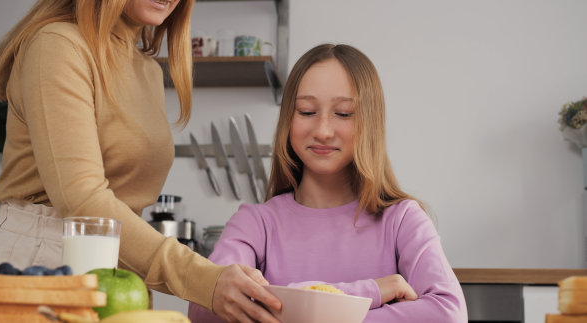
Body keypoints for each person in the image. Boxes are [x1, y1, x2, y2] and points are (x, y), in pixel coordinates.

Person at [0, 0, 281, 322]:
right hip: (42, 262)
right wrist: (204, 278)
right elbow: (81, 198)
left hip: (120, 270)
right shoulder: (58, 44)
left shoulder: (146, 69)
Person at [188, 43, 468, 322]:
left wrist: (305, 310)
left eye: (344, 113)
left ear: (369, 122)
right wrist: (370, 292)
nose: (323, 130)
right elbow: (206, 309)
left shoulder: (402, 220)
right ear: (288, 118)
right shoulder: (255, 224)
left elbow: (448, 313)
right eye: (307, 111)